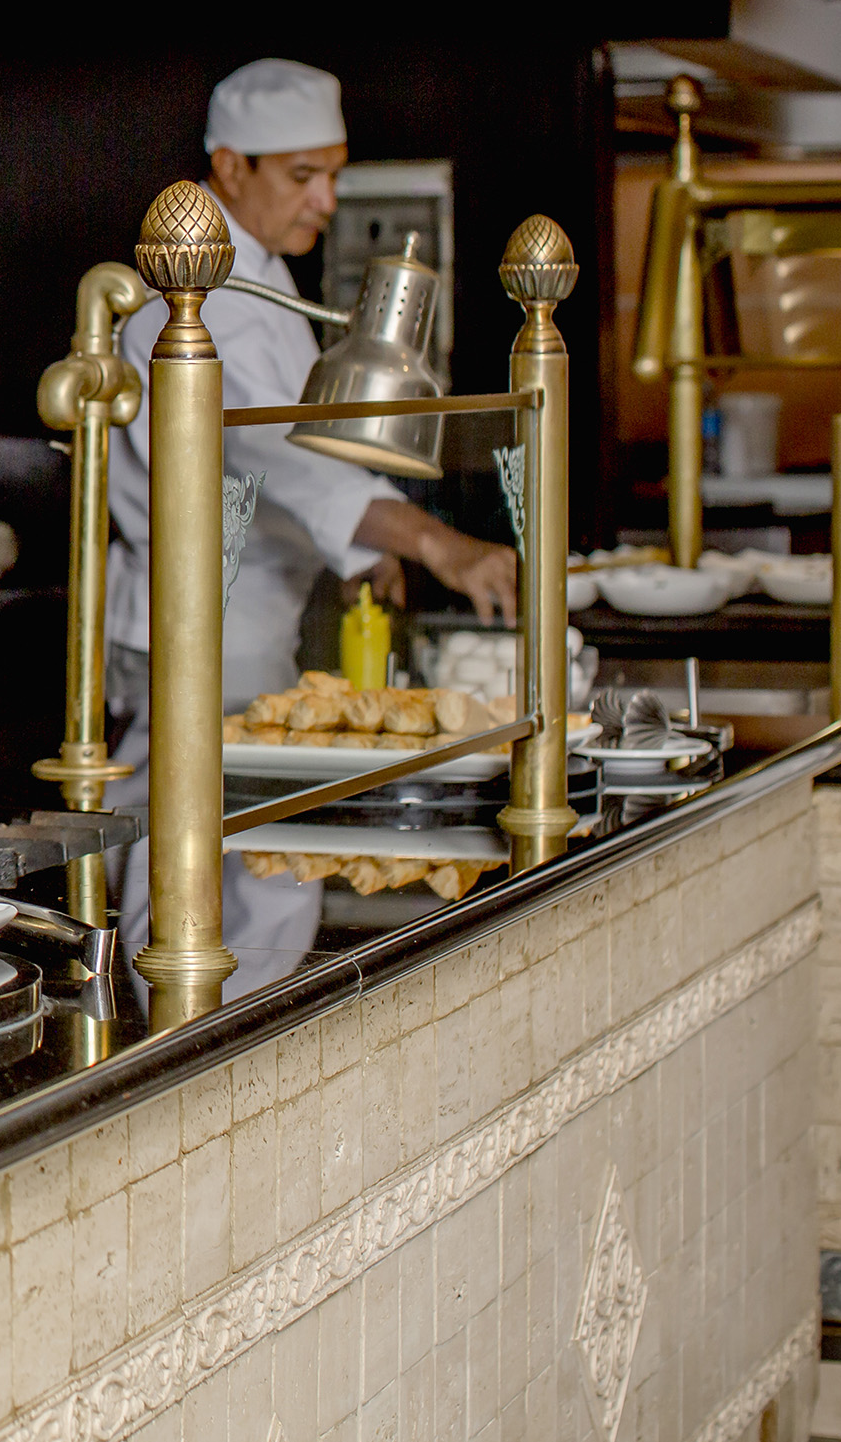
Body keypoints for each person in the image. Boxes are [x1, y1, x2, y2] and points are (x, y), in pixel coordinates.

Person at [99, 58, 520, 992]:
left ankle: (238, 1045)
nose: (327, 198)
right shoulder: (185, 305)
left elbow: (317, 455)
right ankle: (168, 1045)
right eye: (302, 175)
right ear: (228, 164)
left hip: (256, 632)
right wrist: (431, 542)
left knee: (262, 864)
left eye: (333, 172)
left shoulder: (268, 284)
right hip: (189, 632)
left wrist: (370, 551)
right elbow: (277, 460)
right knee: (192, 868)